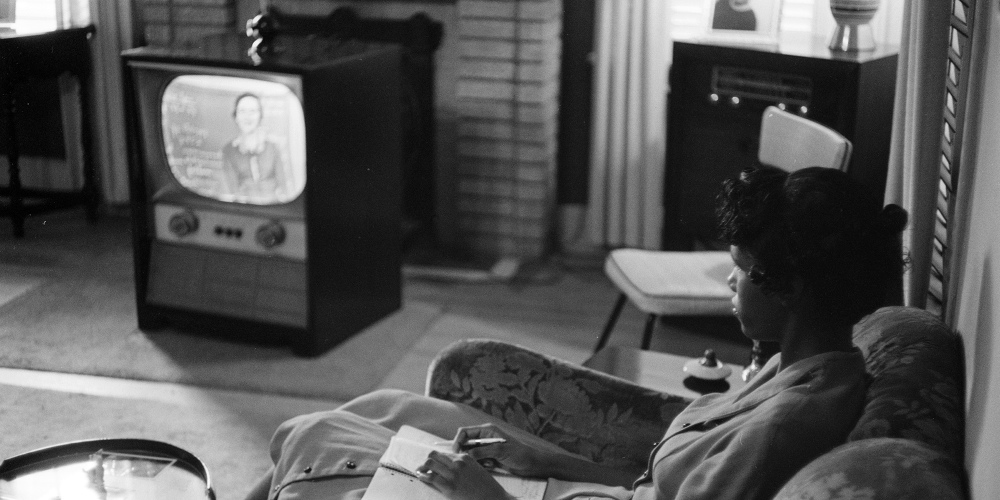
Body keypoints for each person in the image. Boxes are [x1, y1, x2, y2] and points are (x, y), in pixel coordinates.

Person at [244, 164, 908, 500]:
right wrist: (549, 460)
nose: (728, 285)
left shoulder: (791, 424)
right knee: (381, 408)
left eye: (740, 272)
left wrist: (495, 499)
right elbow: (654, 482)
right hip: (575, 488)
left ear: (790, 289)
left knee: (311, 437)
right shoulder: (800, 364)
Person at [220, 93, 290, 200]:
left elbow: (284, 188)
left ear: (260, 116)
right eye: (242, 111)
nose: (247, 117)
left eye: (252, 111)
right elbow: (231, 191)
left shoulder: (273, 148)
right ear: (236, 117)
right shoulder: (228, 151)